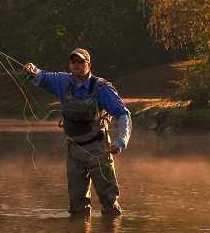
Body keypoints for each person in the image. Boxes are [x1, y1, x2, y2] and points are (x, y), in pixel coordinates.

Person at [23, 48, 131, 217]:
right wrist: (31, 69)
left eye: (80, 62)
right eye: (73, 61)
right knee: (77, 208)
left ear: (88, 64)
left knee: (109, 204)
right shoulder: (63, 81)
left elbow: (123, 114)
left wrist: (120, 142)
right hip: (73, 152)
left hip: (98, 150)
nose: (76, 65)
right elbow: (42, 77)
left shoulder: (102, 88)